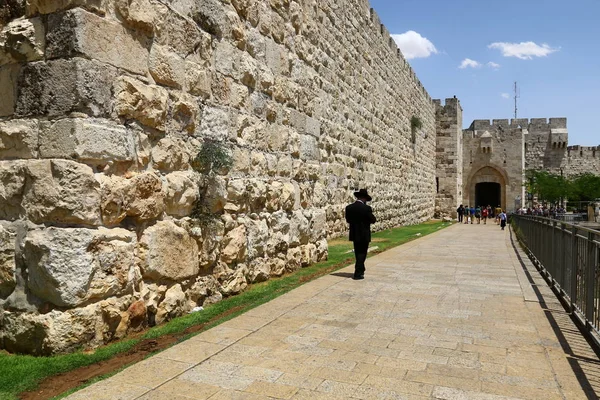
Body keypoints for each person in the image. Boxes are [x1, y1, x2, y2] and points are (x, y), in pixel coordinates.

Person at [345, 189, 377, 280]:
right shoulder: (366, 209)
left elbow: (348, 220)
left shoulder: (349, 208)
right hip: (364, 234)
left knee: (358, 252)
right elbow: (373, 220)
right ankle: (358, 272)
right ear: (364, 198)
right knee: (362, 253)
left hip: (354, 233)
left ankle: (361, 269)